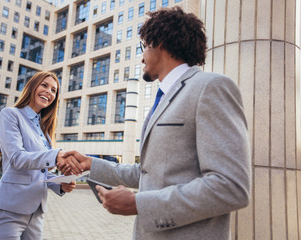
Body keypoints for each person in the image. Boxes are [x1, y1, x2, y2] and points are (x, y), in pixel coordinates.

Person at [60, 6, 251, 240]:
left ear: (158, 42)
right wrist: (91, 163)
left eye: (143, 47)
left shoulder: (211, 88)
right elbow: (150, 173)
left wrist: (140, 204)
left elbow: (231, 187)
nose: (141, 57)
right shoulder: (163, 99)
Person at [0, 72, 83, 240]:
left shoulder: (44, 131)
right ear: (32, 86)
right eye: (44, 85)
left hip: (35, 215)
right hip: (8, 211)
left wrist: (59, 184)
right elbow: (17, 159)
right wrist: (56, 155)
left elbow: (39, 173)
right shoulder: (10, 115)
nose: (49, 92)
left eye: (53, 90)